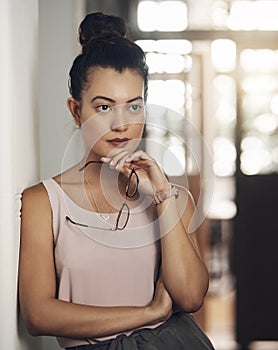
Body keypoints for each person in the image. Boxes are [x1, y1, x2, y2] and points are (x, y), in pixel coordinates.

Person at [19, 12, 215, 350]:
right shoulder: (42, 201)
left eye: (134, 106)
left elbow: (191, 295)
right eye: (104, 107)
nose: (121, 124)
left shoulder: (170, 196)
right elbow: (38, 315)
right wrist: (149, 312)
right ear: (76, 110)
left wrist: (163, 197)